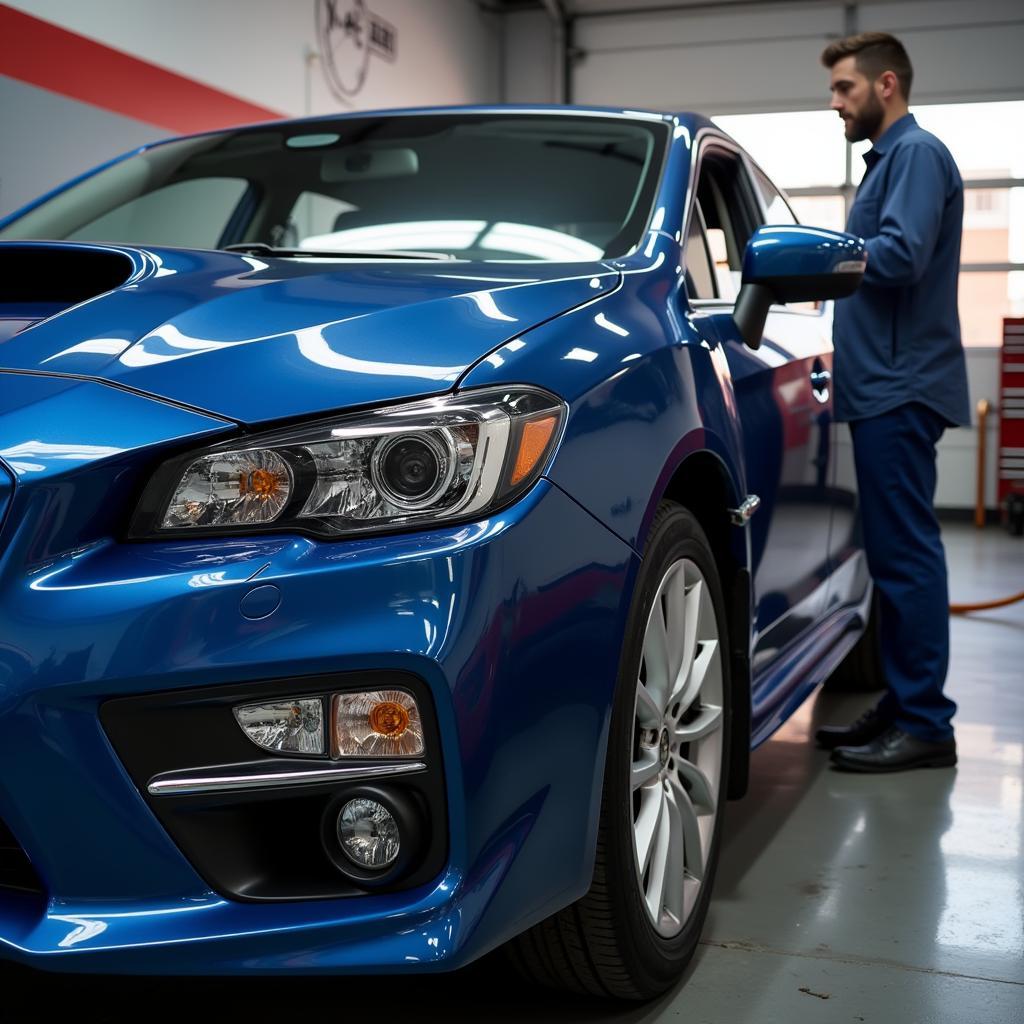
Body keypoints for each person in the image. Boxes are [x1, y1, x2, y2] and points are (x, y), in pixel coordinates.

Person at [815, 32, 970, 771]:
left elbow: (901, 255)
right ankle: (907, 704)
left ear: (885, 85)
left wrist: (824, 254)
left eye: (844, 88)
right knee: (893, 555)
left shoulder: (914, 154)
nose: (834, 102)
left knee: (906, 558)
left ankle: (927, 724)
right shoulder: (892, 161)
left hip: (899, 387)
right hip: (883, 385)